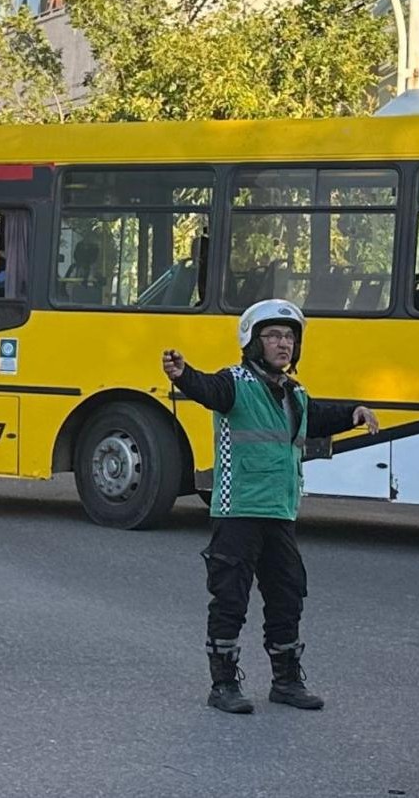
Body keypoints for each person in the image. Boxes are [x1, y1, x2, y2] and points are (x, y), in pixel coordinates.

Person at [162, 299, 379, 715]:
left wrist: (352, 412)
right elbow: (207, 389)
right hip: (238, 509)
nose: (284, 344)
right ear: (253, 341)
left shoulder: (294, 392)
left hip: (280, 512)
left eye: (290, 337)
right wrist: (182, 374)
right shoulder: (235, 382)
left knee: (287, 594)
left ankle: (286, 680)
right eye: (275, 336)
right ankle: (223, 684)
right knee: (230, 598)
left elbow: (314, 416)